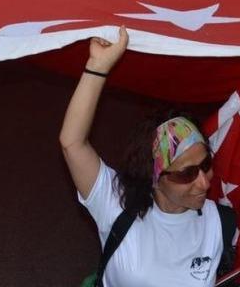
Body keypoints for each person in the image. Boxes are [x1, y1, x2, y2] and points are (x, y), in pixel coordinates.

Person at [60, 27, 226, 286]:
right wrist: (97, 67)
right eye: (187, 173)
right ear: (154, 176)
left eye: (206, 165)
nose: (204, 183)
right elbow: (72, 143)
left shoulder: (219, 222)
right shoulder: (116, 204)